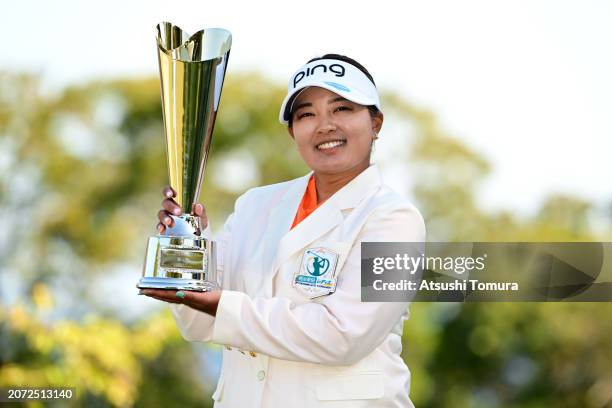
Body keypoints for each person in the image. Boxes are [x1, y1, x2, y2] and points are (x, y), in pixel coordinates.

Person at [140, 54, 426, 407]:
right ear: (292, 132)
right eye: (306, 114)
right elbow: (198, 325)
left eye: (342, 109)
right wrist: (186, 246)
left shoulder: (396, 219)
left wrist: (222, 305)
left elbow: (343, 336)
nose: (324, 125)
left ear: (375, 122)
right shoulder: (255, 205)